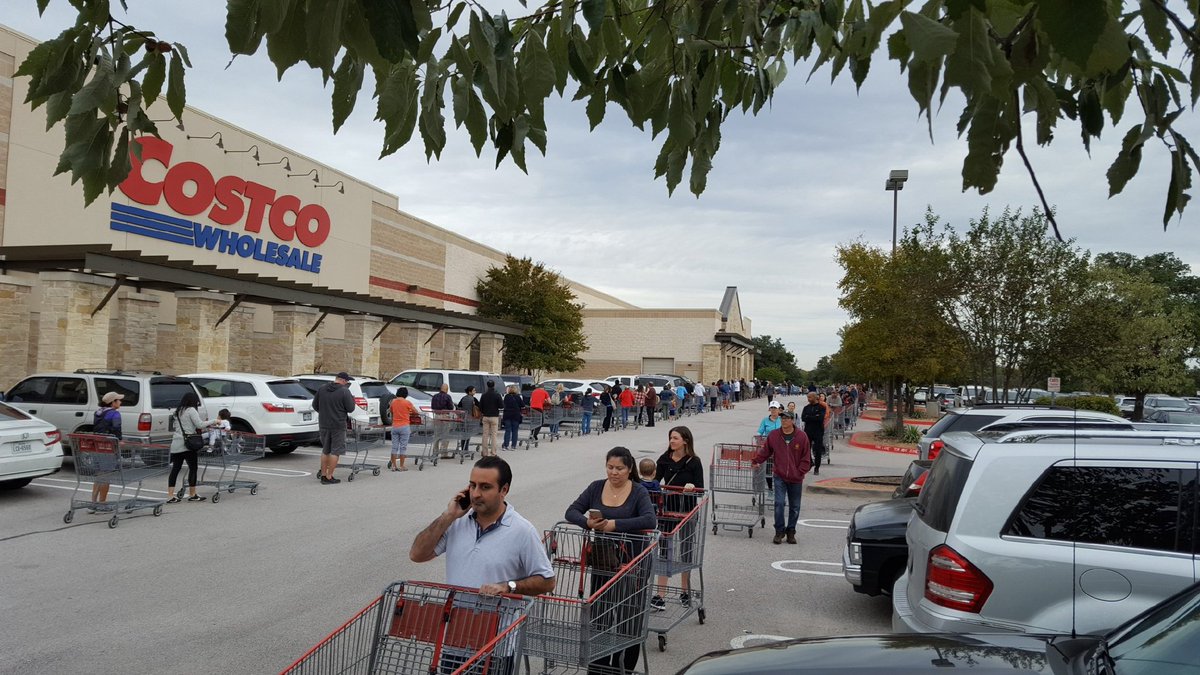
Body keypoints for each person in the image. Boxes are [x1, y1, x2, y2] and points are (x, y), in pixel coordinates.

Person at [410, 455, 556, 675]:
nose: (475, 493)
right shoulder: (456, 522)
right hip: (456, 640)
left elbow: (547, 581)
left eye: (485, 487)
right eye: (472, 485)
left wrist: (508, 586)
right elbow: (417, 554)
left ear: (504, 490)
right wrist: (448, 515)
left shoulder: (522, 531)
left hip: (497, 646)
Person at [565, 447, 657, 675]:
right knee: (600, 616)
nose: (614, 472)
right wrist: (588, 523)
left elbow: (650, 520)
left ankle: (622, 669)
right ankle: (598, 668)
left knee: (629, 618)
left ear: (629, 469)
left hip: (632, 562)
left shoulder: (638, 491)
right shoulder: (596, 487)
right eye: (610, 467)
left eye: (620, 468)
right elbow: (572, 511)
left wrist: (615, 525)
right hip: (604, 560)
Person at [652, 426, 704, 612]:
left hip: (687, 510)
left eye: (675, 438)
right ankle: (660, 594)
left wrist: (692, 488)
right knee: (664, 550)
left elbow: (700, 488)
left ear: (685, 441)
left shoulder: (694, 462)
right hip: (667, 510)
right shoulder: (664, 459)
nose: (671, 441)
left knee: (686, 550)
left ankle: (684, 591)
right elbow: (655, 481)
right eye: (670, 438)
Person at [753, 411, 811, 544]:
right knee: (779, 503)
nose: (784, 420)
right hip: (779, 475)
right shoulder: (774, 435)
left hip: (796, 478)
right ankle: (779, 531)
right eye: (782, 418)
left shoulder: (802, 436)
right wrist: (756, 461)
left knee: (795, 506)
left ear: (793, 420)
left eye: (786, 418)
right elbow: (766, 451)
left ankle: (791, 531)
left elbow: (806, 457)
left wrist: (800, 472)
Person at [314, 371, 357, 484]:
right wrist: (352, 400)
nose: (347, 383)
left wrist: (324, 412)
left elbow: (315, 405)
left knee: (326, 450)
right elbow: (350, 408)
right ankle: (329, 476)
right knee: (335, 451)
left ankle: (323, 475)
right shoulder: (344, 391)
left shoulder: (322, 388)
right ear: (343, 380)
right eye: (347, 381)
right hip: (338, 424)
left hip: (324, 423)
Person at [166, 391, 207, 503]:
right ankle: (192, 494)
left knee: (175, 469)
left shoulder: (178, 411)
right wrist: (214, 421)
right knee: (193, 468)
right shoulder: (191, 410)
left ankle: (170, 495)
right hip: (188, 444)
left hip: (176, 444)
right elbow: (200, 425)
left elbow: (174, 427)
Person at [90, 391, 124, 506]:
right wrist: (119, 440)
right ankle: (102, 503)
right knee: (106, 475)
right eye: (118, 400)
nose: (120, 402)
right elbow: (116, 428)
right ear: (113, 402)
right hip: (108, 447)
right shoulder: (115, 414)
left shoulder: (98, 412)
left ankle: (93, 503)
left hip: (97, 446)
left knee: (99, 474)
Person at [388, 387, 418, 470]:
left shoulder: (393, 402)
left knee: (394, 447)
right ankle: (401, 466)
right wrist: (408, 412)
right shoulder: (407, 402)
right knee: (403, 447)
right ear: (406, 394)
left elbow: (391, 411)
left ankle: (394, 466)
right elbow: (416, 412)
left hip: (395, 426)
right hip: (404, 426)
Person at [801, 392, 827, 475]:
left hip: (818, 431)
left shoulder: (821, 407)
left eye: (810, 397)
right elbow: (803, 418)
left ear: (815, 398)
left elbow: (820, 418)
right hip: (808, 431)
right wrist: (814, 417)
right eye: (808, 397)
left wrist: (809, 417)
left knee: (817, 449)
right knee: (806, 449)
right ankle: (810, 462)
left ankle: (817, 467)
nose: (808, 399)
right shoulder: (806, 408)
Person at [431, 383, 456, 458]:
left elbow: (432, 406)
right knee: (445, 435)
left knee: (436, 435)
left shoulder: (435, 396)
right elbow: (451, 407)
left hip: (436, 416)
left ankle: (435, 452)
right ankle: (443, 453)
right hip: (445, 416)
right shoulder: (447, 396)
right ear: (447, 389)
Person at [478, 380, 503, 456]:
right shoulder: (497, 395)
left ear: (487, 385)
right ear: (494, 385)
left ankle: (485, 452)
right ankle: (493, 452)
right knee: (494, 435)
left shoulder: (484, 395)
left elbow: (480, 407)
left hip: (485, 416)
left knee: (485, 435)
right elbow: (501, 406)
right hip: (494, 416)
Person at [457, 386, 479, 456]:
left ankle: (463, 449)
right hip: (470, 419)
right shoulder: (474, 399)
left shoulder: (463, 398)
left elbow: (459, 406)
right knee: (468, 435)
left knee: (463, 435)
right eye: (474, 390)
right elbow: (479, 407)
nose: (475, 392)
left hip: (463, 418)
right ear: (470, 392)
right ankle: (466, 450)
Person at [501, 384, 523, 450]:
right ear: (516, 390)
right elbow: (523, 405)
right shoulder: (518, 397)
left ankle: (505, 445)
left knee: (507, 431)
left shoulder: (506, 397)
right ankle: (513, 446)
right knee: (515, 431)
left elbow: (504, 404)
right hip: (516, 416)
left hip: (507, 415)